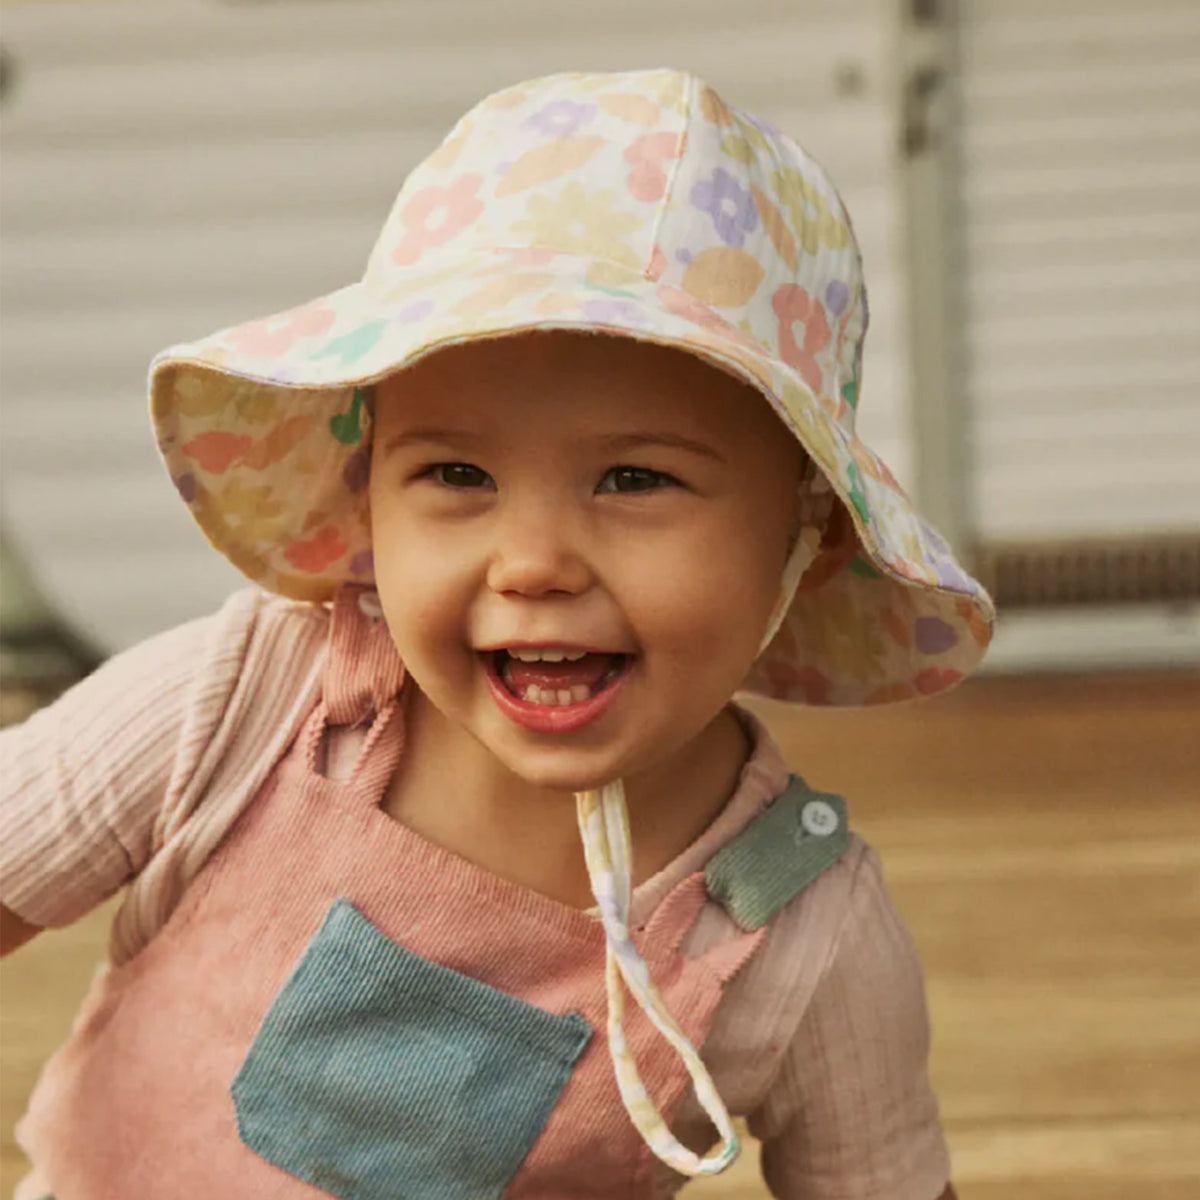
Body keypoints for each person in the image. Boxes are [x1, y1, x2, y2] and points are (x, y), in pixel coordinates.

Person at [0, 68, 991, 1199]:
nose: (534, 563)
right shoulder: (242, 707)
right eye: (458, 472)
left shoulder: (798, 933)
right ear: (369, 492)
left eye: (634, 478)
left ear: (807, 532)